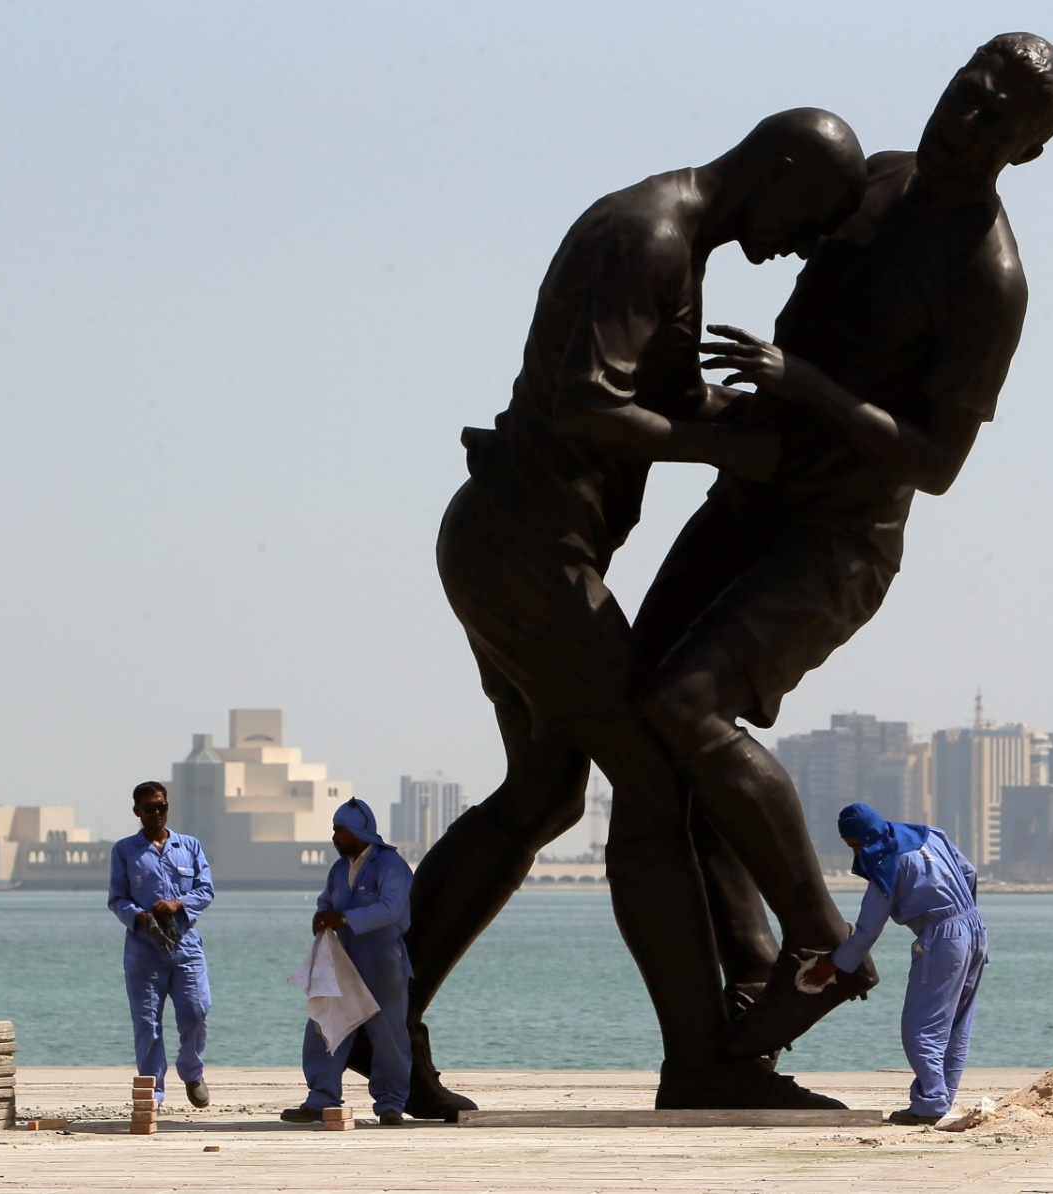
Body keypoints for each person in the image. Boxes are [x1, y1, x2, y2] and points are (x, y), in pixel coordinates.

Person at [403, 108, 868, 1114]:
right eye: (812, 216)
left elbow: (655, 398)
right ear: (779, 170)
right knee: (657, 779)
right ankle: (703, 1063)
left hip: (517, 550)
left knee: (542, 795)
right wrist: (727, 450)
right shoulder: (648, 237)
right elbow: (584, 402)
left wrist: (777, 413)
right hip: (530, 559)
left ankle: (376, 1023)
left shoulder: (677, 247)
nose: (804, 243)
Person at [632, 32, 1053, 1056]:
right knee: (642, 719)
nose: (966, 116)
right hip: (750, 499)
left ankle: (823, 942)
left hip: (836, 541)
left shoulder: (987, 278)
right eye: (969, 90)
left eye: (996, 117)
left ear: (1025, 152)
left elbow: (937, 460)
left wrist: (807, 387)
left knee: (684, 705)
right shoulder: (876, 179)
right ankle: (746, 997)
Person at [806, 803, 985, 1126]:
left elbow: (867, 931)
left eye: (855, 845)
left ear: (864, 837)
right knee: (957, 1024)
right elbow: (970, 872)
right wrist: (962, 914)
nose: (857, 853)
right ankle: (941, 1099)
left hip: (943, 938)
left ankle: (929, 1105)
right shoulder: (931, 834)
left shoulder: (886, 865)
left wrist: (831, 966)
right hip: (975, 928)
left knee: (921, 1027)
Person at [282, 799, 416, 1126]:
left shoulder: (390, 865)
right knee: (324, 1026)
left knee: (389, 1036)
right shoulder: (340, 869)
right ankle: (321, 1098)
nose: (334, 838)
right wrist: (322, 916)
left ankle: (390, 1105)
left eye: (338, 831)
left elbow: (391, 909)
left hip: (384, 963)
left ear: (357, 831)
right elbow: (326, 901)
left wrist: (342, 917)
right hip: (343, 962)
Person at [106, 779, 215, 1107]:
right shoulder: (125, 851)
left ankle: (192, 1070)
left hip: (185, 944)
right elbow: (117, 898)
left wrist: (177, 903)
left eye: (162, 807)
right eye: (150, 808)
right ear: (137, 811)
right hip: (143, 948)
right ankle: (153, 1092)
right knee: (147, 1021)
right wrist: (140, 917)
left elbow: (205, 890)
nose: (157, 813)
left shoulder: (189, 847)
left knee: (196, 1010)